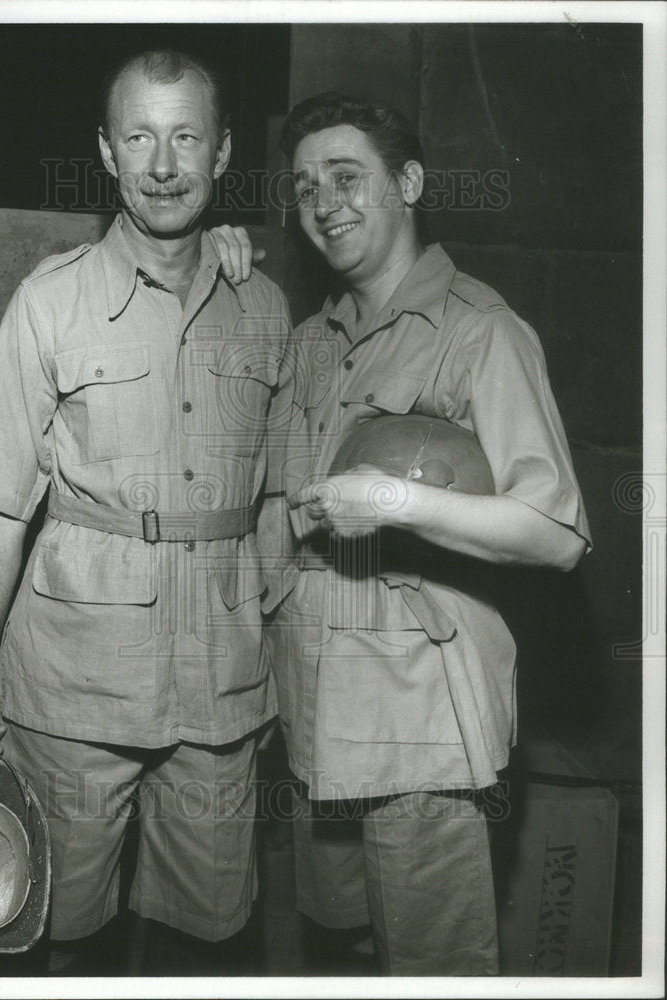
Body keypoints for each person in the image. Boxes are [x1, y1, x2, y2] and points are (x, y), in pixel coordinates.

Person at [219, 91, 592, 975]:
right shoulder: (313, 342)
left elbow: (556, 532)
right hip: (318, 713)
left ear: (410, 184)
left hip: (419, 723)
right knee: (343, 952)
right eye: (305, 186)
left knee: (435, 967)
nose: (325, 204)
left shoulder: (479, 331)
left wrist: (392, 501)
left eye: (348, 178)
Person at [0, 49, 290, 973]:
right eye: (139, 138)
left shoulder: (264, 305)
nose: (163, 165)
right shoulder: (50, 302)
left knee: (208, 940)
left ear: (223, 153)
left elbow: (280, 505)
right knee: (59, 932)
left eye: (186, 138)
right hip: (74, 693)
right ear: (106, 152)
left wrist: (276, 662)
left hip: (220, 695)